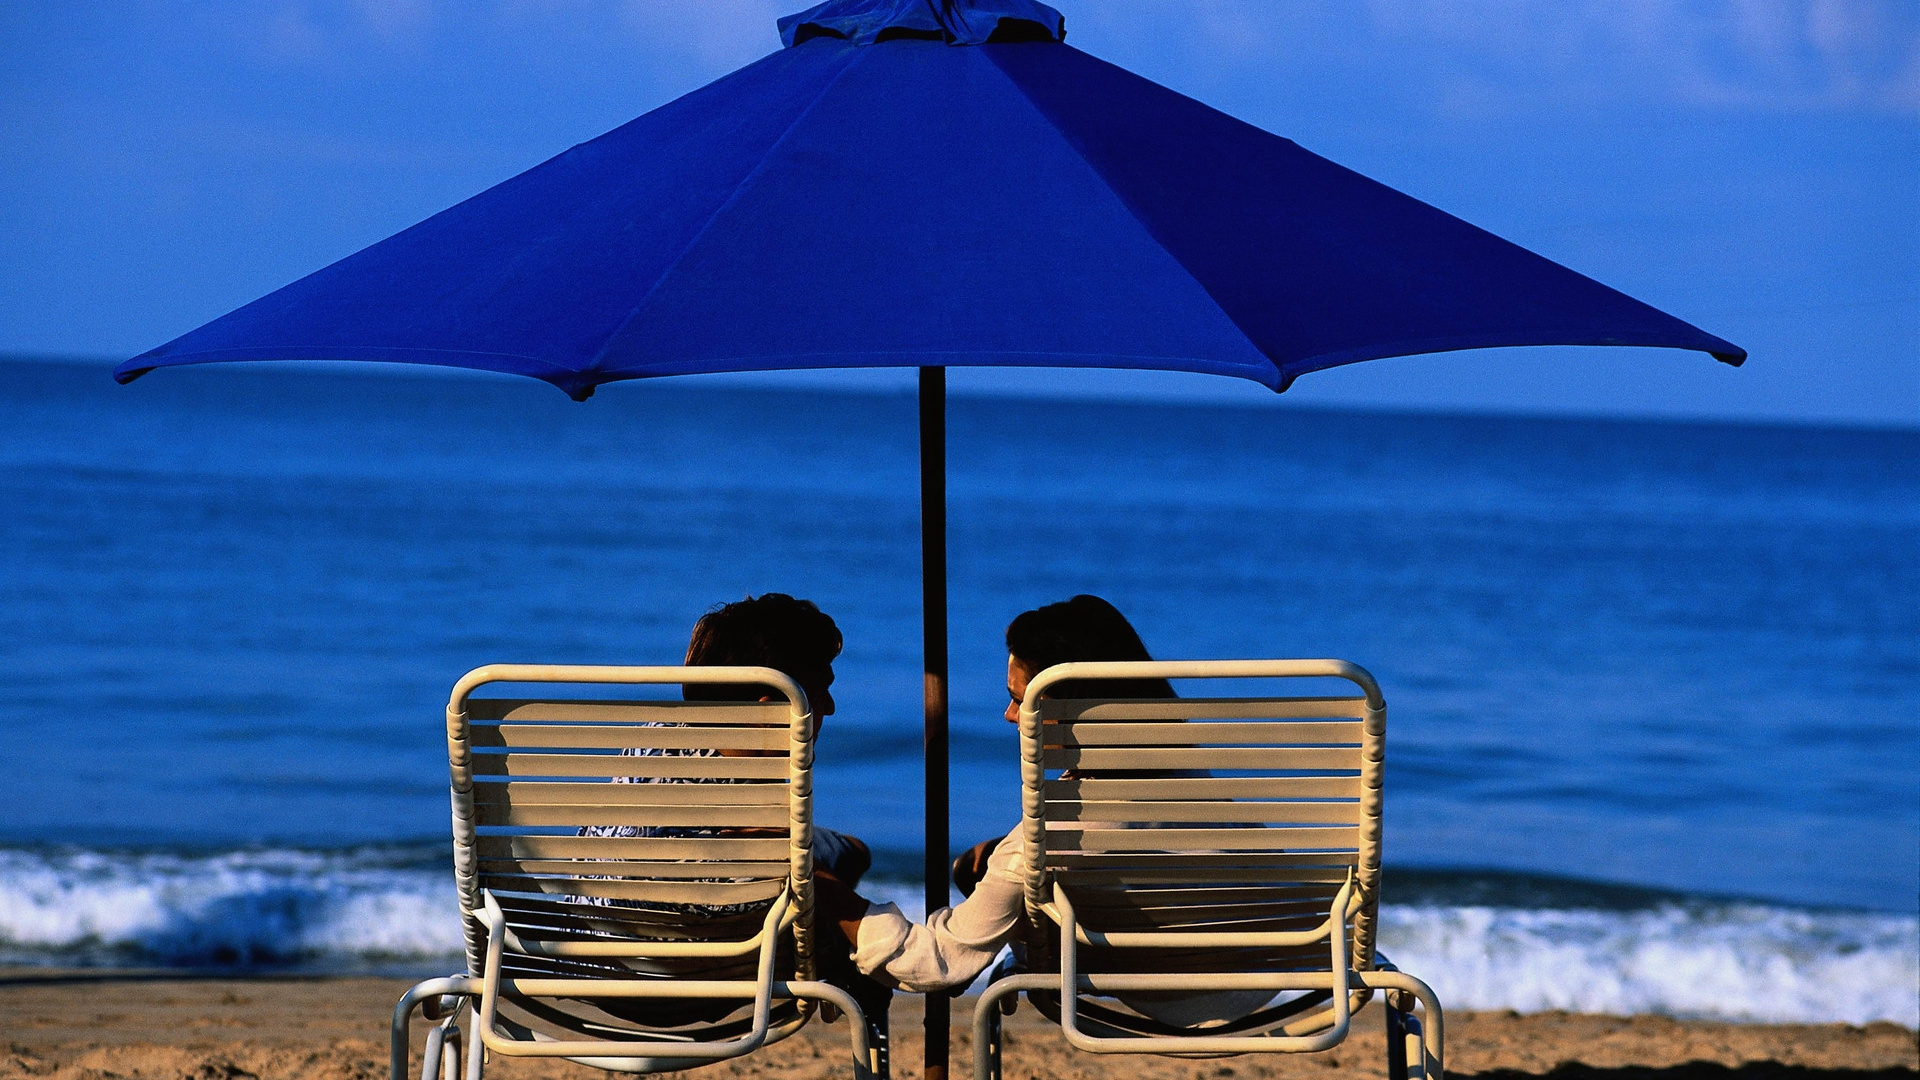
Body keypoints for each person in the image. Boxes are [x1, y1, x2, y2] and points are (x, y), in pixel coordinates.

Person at [814, 595, 1271, 1028]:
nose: (1011, 716)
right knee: (989, 863)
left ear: (1072, 708)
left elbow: (936, 964)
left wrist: (819, 883)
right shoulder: (1205, 793)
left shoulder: (1048, 837)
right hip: (1262, 984)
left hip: (1161, 1000)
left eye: (1022, 699)